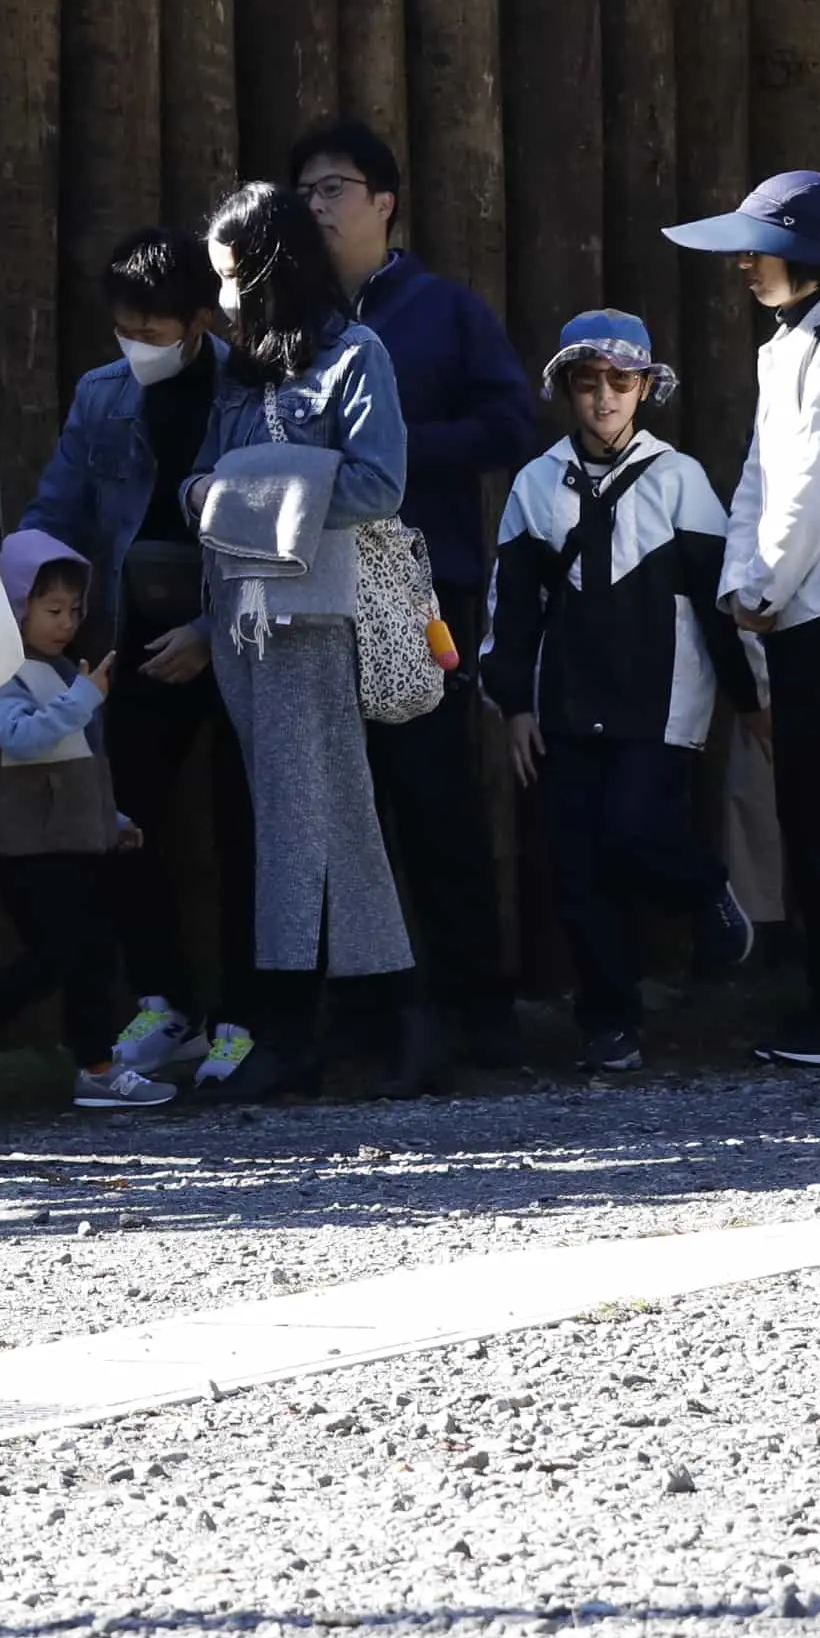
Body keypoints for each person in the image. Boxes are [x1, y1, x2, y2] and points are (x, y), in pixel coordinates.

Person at [289, 122, 534, 1066]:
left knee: (436, 801)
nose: (316, 205)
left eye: (334, 188)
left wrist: (391, 454)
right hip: (311, 594)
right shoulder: (290, 324)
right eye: (304, 191)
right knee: (334, 809)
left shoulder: (444, 311)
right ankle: (362, 1021)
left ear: (385, 202)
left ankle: (482, 1011)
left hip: (421, 589)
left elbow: (510, 422)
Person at [662, 170, 820, 1068]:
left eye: (756, 246)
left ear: (804, 254)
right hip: (803, 609)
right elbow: (760, 483)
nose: (742, 263)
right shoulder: (791, 347)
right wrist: (748, 588)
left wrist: (760, 591)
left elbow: (810, 496)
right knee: (813, 817)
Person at [189, 179, 429, 1101]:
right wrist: (219, 493)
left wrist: (244, 487)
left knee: (309, 829)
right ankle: (383, 1021)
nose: (223, 296)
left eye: (231, 275)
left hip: (321, 618)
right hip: (244, 619)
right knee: (313, 826)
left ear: (269, 267)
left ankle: (294, 1032)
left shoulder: (355, 355)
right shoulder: (240, 370)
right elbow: (204, 480)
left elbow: (380, 485)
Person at [483, 311, 757, 1073]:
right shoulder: (536, 484)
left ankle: (705, 891)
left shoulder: (679, 478)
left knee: (635, 827)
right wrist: (514, 704)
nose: (603, 398)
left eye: (620, 382)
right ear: (566, 389)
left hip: (658, 701)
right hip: (565, 702)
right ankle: (610, 1024)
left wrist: (750, 698)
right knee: (578, 866)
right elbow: (512, 606)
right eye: (587, 382)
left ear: (645, 389)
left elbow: (718, 599)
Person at [21, 226, 260, 1093]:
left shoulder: (255, 392)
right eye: (124, 326)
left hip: (237, 633)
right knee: (117, 821)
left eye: (153, 330)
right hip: (131, 639)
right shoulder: (100, 395)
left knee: (249, 829)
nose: (137, 344)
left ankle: (246, 1012)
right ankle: (169, 1003)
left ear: (201, 319)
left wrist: (209, 627)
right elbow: (60, 509)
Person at [0, 532, 171, 1112]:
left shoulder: (66, 670)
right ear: (17, 607)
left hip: (76, 842)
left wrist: (108, 818)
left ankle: (98, 1067)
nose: (67, 623)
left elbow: (77, 763)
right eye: (53, 610)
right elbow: (23, 737)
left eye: (75, 610)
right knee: (55, 952)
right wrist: (83, 699)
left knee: (93, 954)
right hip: (26, 848)